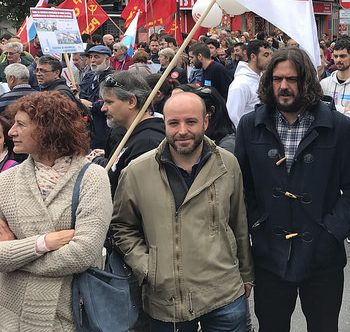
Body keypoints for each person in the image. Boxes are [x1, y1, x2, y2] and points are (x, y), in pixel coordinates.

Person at [235, 47, 350, 332]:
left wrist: (333, 230)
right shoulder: (250, 125)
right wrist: (257, 223)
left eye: (292, 79)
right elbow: (242, 186)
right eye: (277, 79)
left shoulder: (338, 126)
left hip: (322, 257)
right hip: (270, 254)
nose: (283, 86)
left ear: (306, 81)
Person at [111, 91, 254, 331]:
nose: (182, 131)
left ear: (206, 121)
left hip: (224, 293)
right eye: (174, 123)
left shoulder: (228, 164)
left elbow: (239, 222)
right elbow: (122, 227)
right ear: (163, 123)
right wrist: (147, 267)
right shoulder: (136, 172)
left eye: (191, 122)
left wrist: (246, 273)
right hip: (167, 299)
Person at [0, 92, 112, 330]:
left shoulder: (92, 178)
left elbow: (83, 253)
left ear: (49, 129)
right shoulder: (5, 181)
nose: (11, 132)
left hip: (67, 316)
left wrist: (15, 255)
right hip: (10, 315)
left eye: (21, 125)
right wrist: (41, 243)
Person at [321, 38, 350, 138]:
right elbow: (318, 111)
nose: (338, 60)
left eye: (343, 56)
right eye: (335, 56)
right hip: (327, 137)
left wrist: (329, 109)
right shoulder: (324, 83)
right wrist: (345, 110)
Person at [226, 39, 272, 127]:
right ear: (253, 57)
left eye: (270, 55)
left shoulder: (263, 78)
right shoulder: (240, 85)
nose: (270, 59)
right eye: (266, 55)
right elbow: (233, 116)